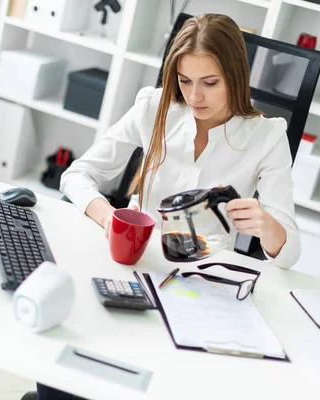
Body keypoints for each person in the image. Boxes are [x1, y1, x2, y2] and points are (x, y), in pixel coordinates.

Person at [22, 12, 301, 400]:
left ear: (236, 77)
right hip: (134, 267)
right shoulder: (155, 109)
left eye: (210, 83)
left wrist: (266, 224)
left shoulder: (266, 138)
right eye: (185, 81)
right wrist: (109, 218)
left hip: (200, 286)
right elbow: (77, 175)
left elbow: (289, 254)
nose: (195, 96)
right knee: (61, 374)